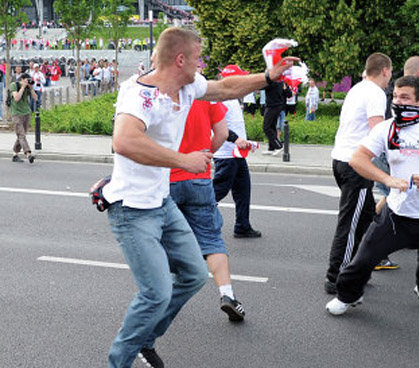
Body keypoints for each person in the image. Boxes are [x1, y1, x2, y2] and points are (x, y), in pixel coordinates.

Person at [101, 27, 296, 368]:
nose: (201, 62)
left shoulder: (189, 86)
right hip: (131, 210)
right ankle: (120, 361)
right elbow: (125, 141)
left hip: (161, 202)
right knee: (156, 292)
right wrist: (183, 160)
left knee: (192, 274)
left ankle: (145, 338)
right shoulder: (138, 94)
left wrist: (268, 76)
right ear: (180, 59)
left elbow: (226, 88)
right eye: (197, 57)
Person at [325, 76, 419, 316]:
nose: (398, 102)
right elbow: (357, 159)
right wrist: (387, 180)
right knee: (363, 259)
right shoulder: (387, 128)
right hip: (398, 212)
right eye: (395, 97)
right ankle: (347, 296)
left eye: (405, 97)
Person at [169, 68, 246, 323]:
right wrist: (204, 155)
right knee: (212, 239)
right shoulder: (206, 94)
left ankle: (164, 293)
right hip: (199, 178)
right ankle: (227, 294)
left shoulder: (161, 90)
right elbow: (222, 134)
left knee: (163, 238)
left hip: (166, 178)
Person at [325, 52, 392, 295]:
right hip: (355, 165)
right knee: (350, 225)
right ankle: (336, 278)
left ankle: (358, 268)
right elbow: (378, 132)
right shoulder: (375, 93)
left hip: (342, 160)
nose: (390, 78)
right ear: (384, 70)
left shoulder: (358, 88)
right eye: (390, 73)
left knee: (366, 219)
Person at [213, 65, 262, 239]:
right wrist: (236, 139)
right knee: (217, 191)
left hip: (237, 153)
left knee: (243, 190)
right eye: (240, 79)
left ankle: (242, 226)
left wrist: (245, 142)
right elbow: (219, 126)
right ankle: (196, 219)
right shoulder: (221, 98)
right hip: (226, 155)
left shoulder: (232, 98)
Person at [9, 73, 38, 163]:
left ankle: (15, 154)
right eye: (26, 80)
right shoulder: (14, 85)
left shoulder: (27, 88)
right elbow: (16, 98)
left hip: (26, 113)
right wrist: (22, 87)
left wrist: (31, 88)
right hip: (16, 113)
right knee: (21, 135)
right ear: (22, 79)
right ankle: (28, 154)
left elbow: (36, 99)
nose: (27, 81)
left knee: (22, 135)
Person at [262, 79, 291, 155]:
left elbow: (289, 94)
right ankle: (271, 148)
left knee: (266, 127)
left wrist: (285, 89)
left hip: (273, 107)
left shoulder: (272, 82)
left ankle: (278, 146)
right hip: (275, 106)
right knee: (272, 126)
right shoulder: (280, 82)